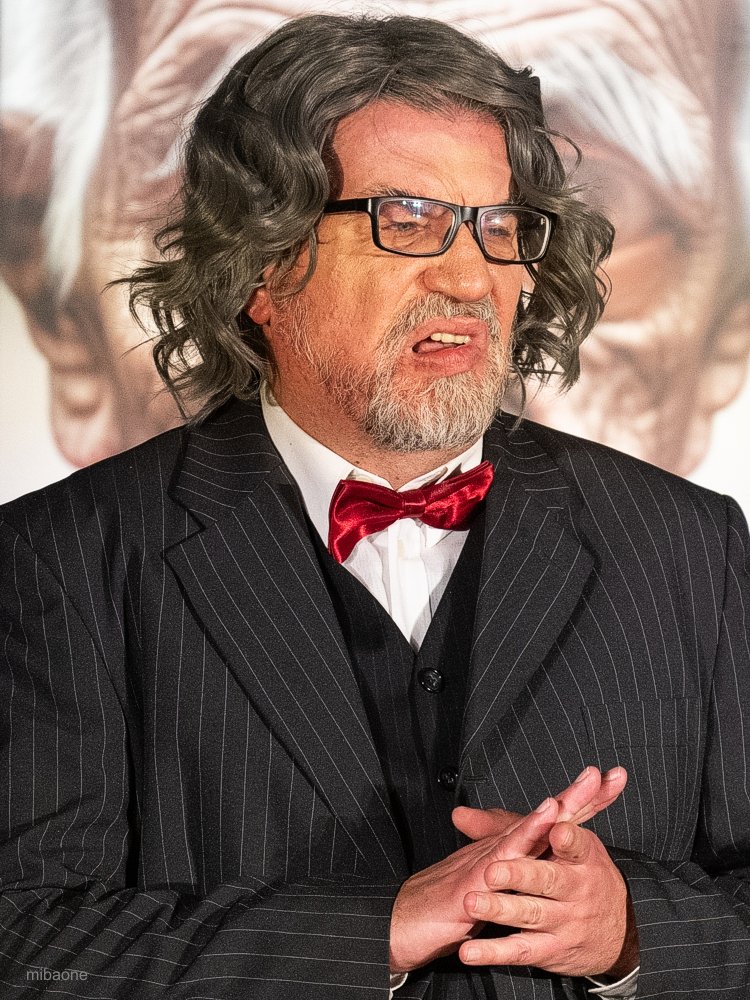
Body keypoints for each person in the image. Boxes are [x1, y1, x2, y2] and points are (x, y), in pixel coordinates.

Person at [0, 13, 748, 999]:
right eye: (406, 218)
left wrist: (629, 930)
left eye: (498, 226)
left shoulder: (692, 545)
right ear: (261, 267)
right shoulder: (63, 555)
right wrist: (375, 931)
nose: (471, 277)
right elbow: (26, 943)